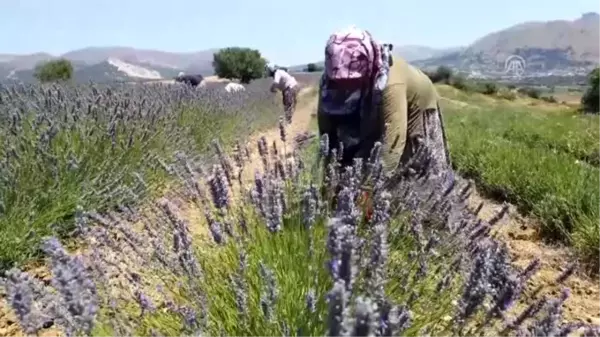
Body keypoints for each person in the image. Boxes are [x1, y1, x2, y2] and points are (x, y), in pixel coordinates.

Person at [317, 26, 451, 179]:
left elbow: (393, 142)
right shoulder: (331, 78)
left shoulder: (391, 82)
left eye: (352, 82)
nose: (346, 87)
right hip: (372, 100)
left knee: (418, 172)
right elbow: (327, 133)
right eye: (341, 83)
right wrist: (330, 177)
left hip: (416, 106)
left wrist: (369, 190)